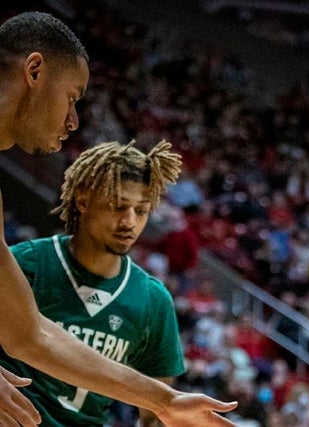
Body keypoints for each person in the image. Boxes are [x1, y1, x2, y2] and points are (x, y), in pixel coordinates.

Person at [0, 11, 236, 426]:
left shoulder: (152, 298)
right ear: (34, 70)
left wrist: (164, 401)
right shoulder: (34, 261)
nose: (73, 121)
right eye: (72, 97)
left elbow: (28, 333)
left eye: (141, 210)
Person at [0, 140, 190, 426]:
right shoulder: (25, 263)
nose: (129, 221)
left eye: (141, 211)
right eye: (118, 206)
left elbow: (156, 415)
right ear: (83, 201)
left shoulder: (153, 299)